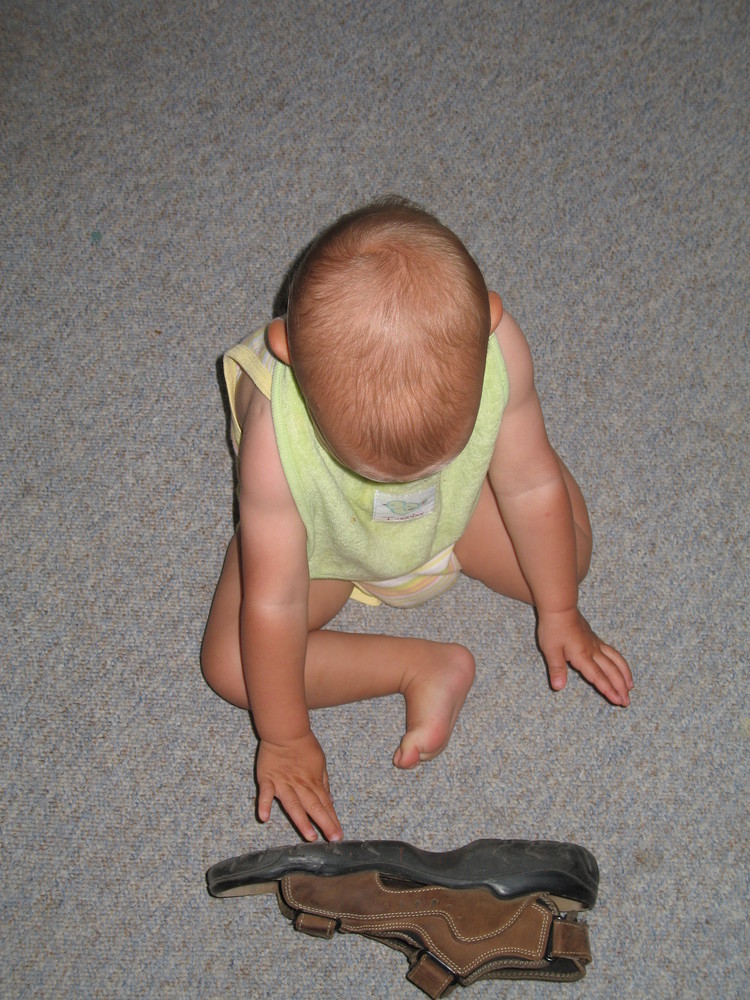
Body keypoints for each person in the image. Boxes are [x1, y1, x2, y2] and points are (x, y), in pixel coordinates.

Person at [201, 196, 633, 845]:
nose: (398, 486)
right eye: (374, 469)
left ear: (490, 321)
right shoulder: (273, 441)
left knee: (565, 551)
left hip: (452, 520)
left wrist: (561, 610)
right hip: (326, 554)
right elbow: (275, 598)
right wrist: (285, 737)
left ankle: (485, 483)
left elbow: (531, 480)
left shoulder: (499, 351)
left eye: (436, 455)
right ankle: (418, 666)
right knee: (235, 667)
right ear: (283, 352)